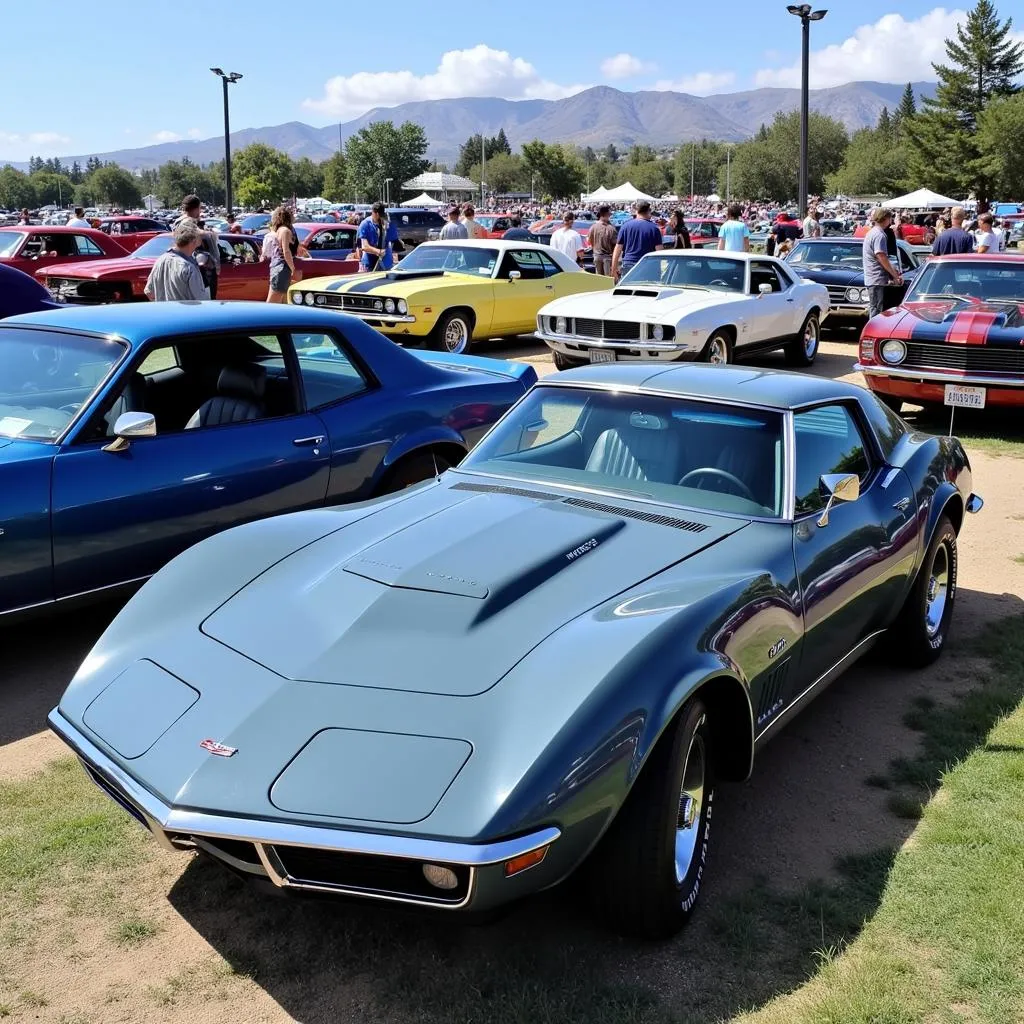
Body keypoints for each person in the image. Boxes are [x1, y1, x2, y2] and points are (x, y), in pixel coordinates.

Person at [144, 218, 206, 301]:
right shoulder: (188, 268)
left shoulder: (160, 260)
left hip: (163, 312)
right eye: (200, 237)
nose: (202, 239)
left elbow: (149, 292)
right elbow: (200, 300)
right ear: (193, 240)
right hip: (186, 313)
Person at [863, 208, 903, 319]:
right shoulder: (879, 235)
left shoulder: (873, 232)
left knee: (876, 308)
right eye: (890, 218)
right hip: (876, 278)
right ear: (885, 218)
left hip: (874, 278)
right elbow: (881, 256)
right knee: (876, 310)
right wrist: (895, 275)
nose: (891, 220)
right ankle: (871, 335)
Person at [611, 200, 662, 281]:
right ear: (649, 211)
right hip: (649, 265)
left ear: (636, 211)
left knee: (628, 291)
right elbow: (659, 252)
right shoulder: (654, 228)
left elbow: (618, 249)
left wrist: (613, 269)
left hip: (629, 263)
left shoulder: (625, 226)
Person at [181, 195, 221, 298]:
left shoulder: (180, 222)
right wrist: (210, 234)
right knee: (206, 302)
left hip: (195, 268)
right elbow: (196, 233)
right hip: (200, 270)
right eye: (200, 208)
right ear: (197, 208)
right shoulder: (187, 223)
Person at [261, 205, 299, 303]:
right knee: (273, 301)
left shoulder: (279, 230)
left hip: (276, 266)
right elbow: (286, 251)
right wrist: (293, 269)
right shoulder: (285, 231)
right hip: (282, 267)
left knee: (278, 300)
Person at [357, 202, 399, 271]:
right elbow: (364, 247)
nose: (379, 217)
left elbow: (393, 242)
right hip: (370, 264)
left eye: (381, 215)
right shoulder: (365, 224)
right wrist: (378, 251)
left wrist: (388, 227)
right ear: (374, 213)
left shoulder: (386, 222)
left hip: (386, 264)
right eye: (378, 214)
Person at [589, 205, 617, 275]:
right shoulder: (611, 228)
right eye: (609, 214)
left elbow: (589, 240)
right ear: (606, 214)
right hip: (607, 258)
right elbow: (616, 244)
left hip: (597, 256)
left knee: (599, 280)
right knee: (608, 280)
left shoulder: (593, 227)